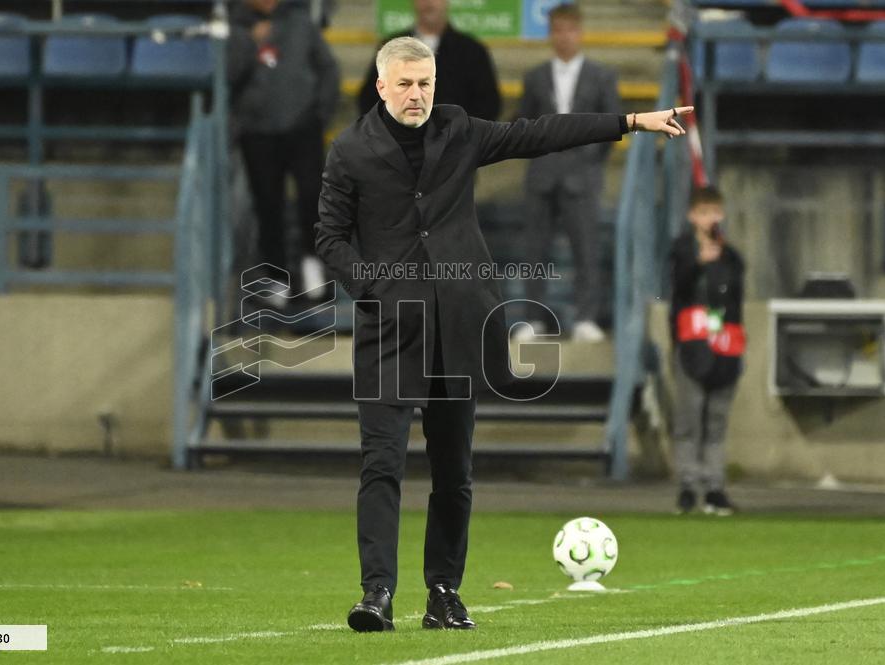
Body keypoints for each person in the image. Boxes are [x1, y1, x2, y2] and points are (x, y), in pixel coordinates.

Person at [316, 35, 691, 632]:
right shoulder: (350, 151)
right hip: (390, 332)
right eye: (407, 84)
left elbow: (536, 133)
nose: (418, 95)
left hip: (458, 327)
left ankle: (443, 592)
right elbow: (330, 238)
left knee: (453, 473)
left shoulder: (459, 130)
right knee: (381, 465)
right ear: (382, 85)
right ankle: (376, 595)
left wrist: (630, 121)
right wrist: (371, 287)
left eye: (426, 83)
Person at [516, 4, 621, 343]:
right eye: (557, 30)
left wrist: (586, 158)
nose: (564, 37)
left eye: (570, 30)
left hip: (582, 175)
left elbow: (611, 124)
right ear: (550, 34)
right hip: (542, 175)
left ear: (580, 32)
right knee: (535, 249)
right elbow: (523, 124)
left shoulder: (601, 75)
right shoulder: (534, 77)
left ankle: (586, 317)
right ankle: (533, 318)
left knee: (585, 249)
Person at [229, 0, 339, 301]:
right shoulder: (234, 28)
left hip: (302, 129)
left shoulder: (301, 23)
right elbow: (227, 77)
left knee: (311, 197)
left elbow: (327, 67)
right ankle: (276, 276)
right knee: (268, 205)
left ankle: (312, 263)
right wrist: (250, 44)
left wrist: (320, 115)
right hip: (257, 133)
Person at [668, 186, 745, 516]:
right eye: (703, 212)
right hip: (690, 343)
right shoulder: (682, 250)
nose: (709, 218)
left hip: (723, 343)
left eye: (714, 211)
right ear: (692, 216)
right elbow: (678, 288)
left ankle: (714, 488)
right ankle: (687, 486)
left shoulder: (731, 256)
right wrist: (699, 262)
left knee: (716, 420)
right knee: (689, 419)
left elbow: (735, 302)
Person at [357, 0, 501, 121]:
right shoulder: (391, 48)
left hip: (455, 150)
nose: (429, 2)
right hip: (399, 149)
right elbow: (370, 99)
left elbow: (488, 106)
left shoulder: (473, 51)